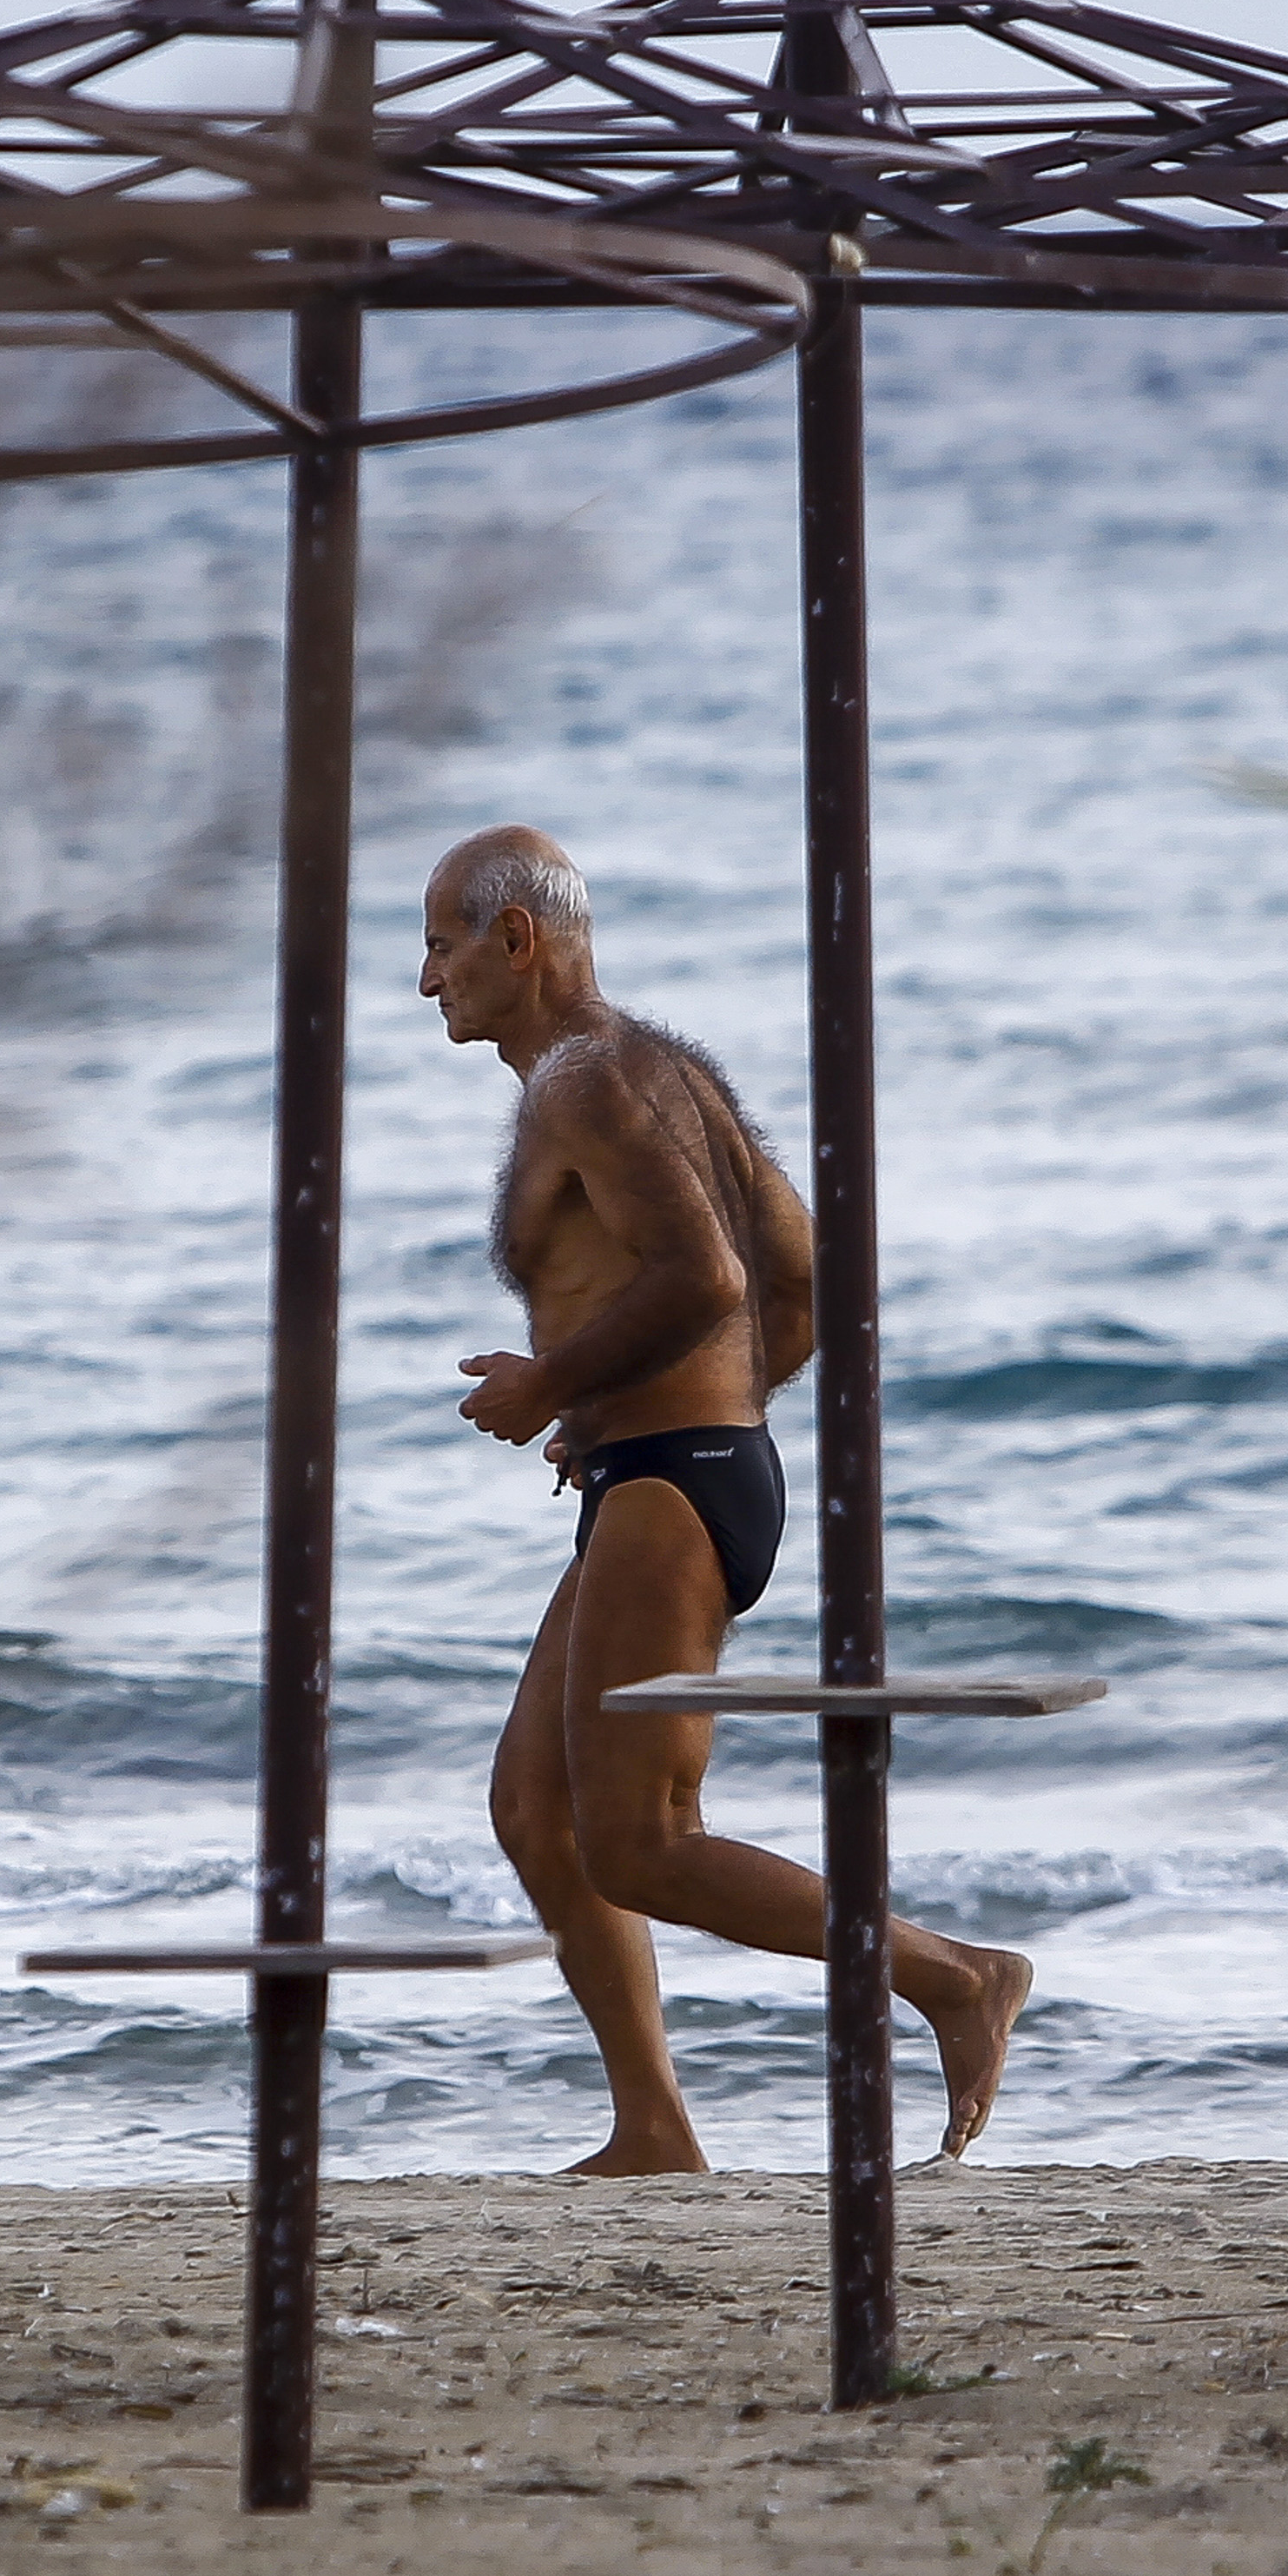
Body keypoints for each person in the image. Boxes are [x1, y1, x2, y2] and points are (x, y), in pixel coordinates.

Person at [419, 823, 1033, 2175]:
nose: (426, 981)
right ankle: (652, 2125)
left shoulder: (583, 1079)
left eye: (441, 942)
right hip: (678, 1469)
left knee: (641, 1842)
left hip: (673, 1487)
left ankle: (950, 1973)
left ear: (516, 939)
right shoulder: (666, 1070)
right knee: (537, 1808)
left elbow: (706, 1280)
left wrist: (554, 1388)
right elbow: (801, 1283)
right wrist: (653, 1410)